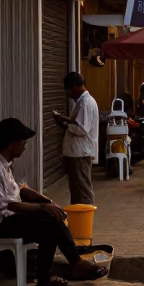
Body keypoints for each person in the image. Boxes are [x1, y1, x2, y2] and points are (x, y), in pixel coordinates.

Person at [0, 119, 109, 286]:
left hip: (5, 219)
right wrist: (43, 207)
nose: (25, 145)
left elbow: (20, 189)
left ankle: (51, 273)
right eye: (23, 141)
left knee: (50, 220)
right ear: (11, 143)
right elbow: (4, 205)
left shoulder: (3, 165)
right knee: (48, 220)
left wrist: (45, 200)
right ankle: (73, 263)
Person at [55, 73, 99, 205]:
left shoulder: (85, 103)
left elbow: (82, 129)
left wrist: (65, 125)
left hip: (81, 153)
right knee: (76, 189)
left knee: (82, 189)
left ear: (74, 86)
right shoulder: (82, 102)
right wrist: (66, 119)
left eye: (68, 89)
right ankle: (78, 219)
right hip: (77, 153)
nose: (67, 93)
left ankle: (85, 219)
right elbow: (80, 123)